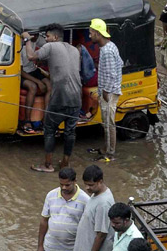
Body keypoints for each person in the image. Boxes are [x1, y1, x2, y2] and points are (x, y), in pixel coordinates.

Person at [26, 23, 83, 172]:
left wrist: (27, 40)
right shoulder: (74, 50)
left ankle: (48, 165)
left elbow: (31, 56)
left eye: (48, 36)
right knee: (70, 132)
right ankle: (65, 162)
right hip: (77, 97)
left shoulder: (50, 46)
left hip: (60, 97)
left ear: (56, 37)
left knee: (49, 129)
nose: (46, 39)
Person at [89, 18, 123, 162]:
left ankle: (110, 155)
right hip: (109, 90)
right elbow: (120, 63)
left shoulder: (107, 51)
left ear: (98, 33)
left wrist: (105, 92)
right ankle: (106, 148)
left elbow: (112, 74)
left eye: (91, 33)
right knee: (106, 123)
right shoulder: (109, 46)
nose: (90, 36)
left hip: (109, 93)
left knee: (109, 124)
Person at [39, 167, 89, 251]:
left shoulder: (85, 200)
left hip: (72, 248)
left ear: (75, 181)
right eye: (61, 184)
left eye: (67, 185)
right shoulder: (51, 195)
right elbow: (44, 220)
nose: (64, 188)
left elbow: (88, 228)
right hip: (49, 247)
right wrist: (40, 246)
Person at [73, 165, 115, 251]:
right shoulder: (96, 193)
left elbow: (101, 234)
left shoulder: (103, 203)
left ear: (100, 181)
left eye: (90, 185)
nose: (87, 188)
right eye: (85, 184)